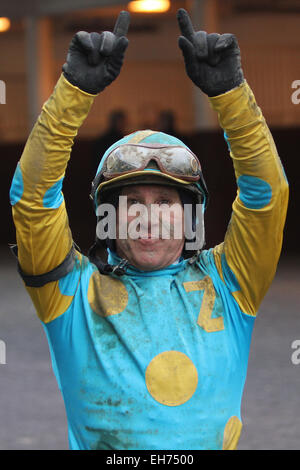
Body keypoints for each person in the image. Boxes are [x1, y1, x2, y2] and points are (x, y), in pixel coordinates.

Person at [9, 9, 288, 450]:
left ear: (191, 216)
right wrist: (73, 93)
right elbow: (32, 197)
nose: (149, 219)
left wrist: (231, 97)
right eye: (131, 204)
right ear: (108, 218)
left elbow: (267, 195)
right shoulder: (70, 292)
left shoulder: (232, 282)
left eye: (165, 203)